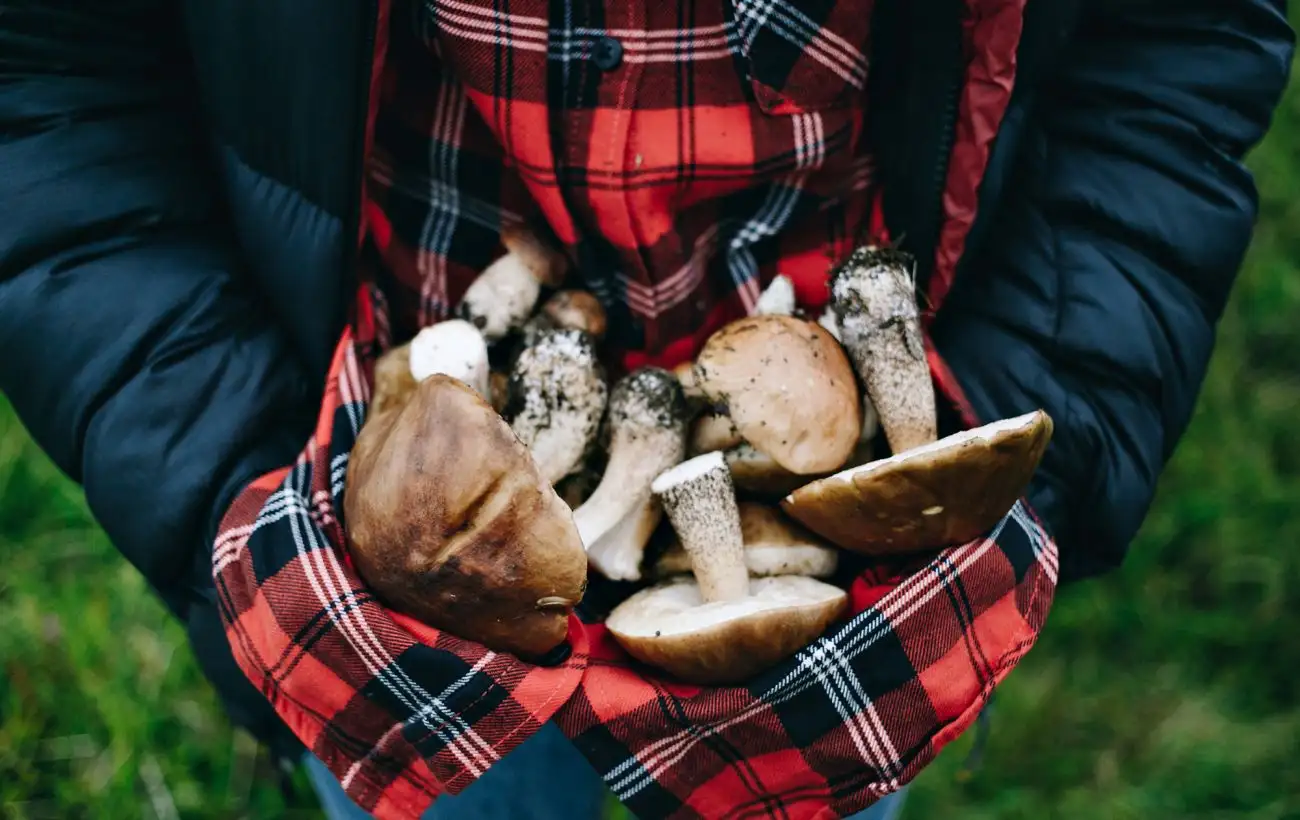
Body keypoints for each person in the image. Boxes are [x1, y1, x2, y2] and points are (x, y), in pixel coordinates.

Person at [0, 1, 1292, 818]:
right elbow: (52, 68)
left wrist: (1015, 447)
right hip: (385, 517)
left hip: (828, 545)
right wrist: (228, 486)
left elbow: (1167, 39)